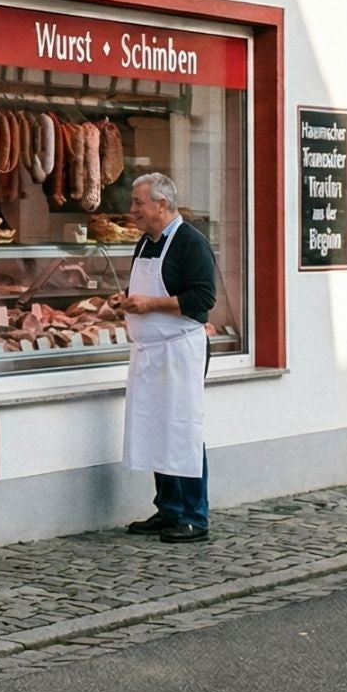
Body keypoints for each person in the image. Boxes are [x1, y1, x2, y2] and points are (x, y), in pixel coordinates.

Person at [116, 172, 218, 543]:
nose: (133, 210)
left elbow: (203, 299)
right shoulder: (145, 243)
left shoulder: (191, 242)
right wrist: (127, 300)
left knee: (181, 426)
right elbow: (142, 287)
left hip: (180, 349)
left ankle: (195, 514)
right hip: (149, 351)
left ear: (162, 203)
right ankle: (168, 508)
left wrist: (151, 303)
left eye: (138, 203)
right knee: (155, 425)